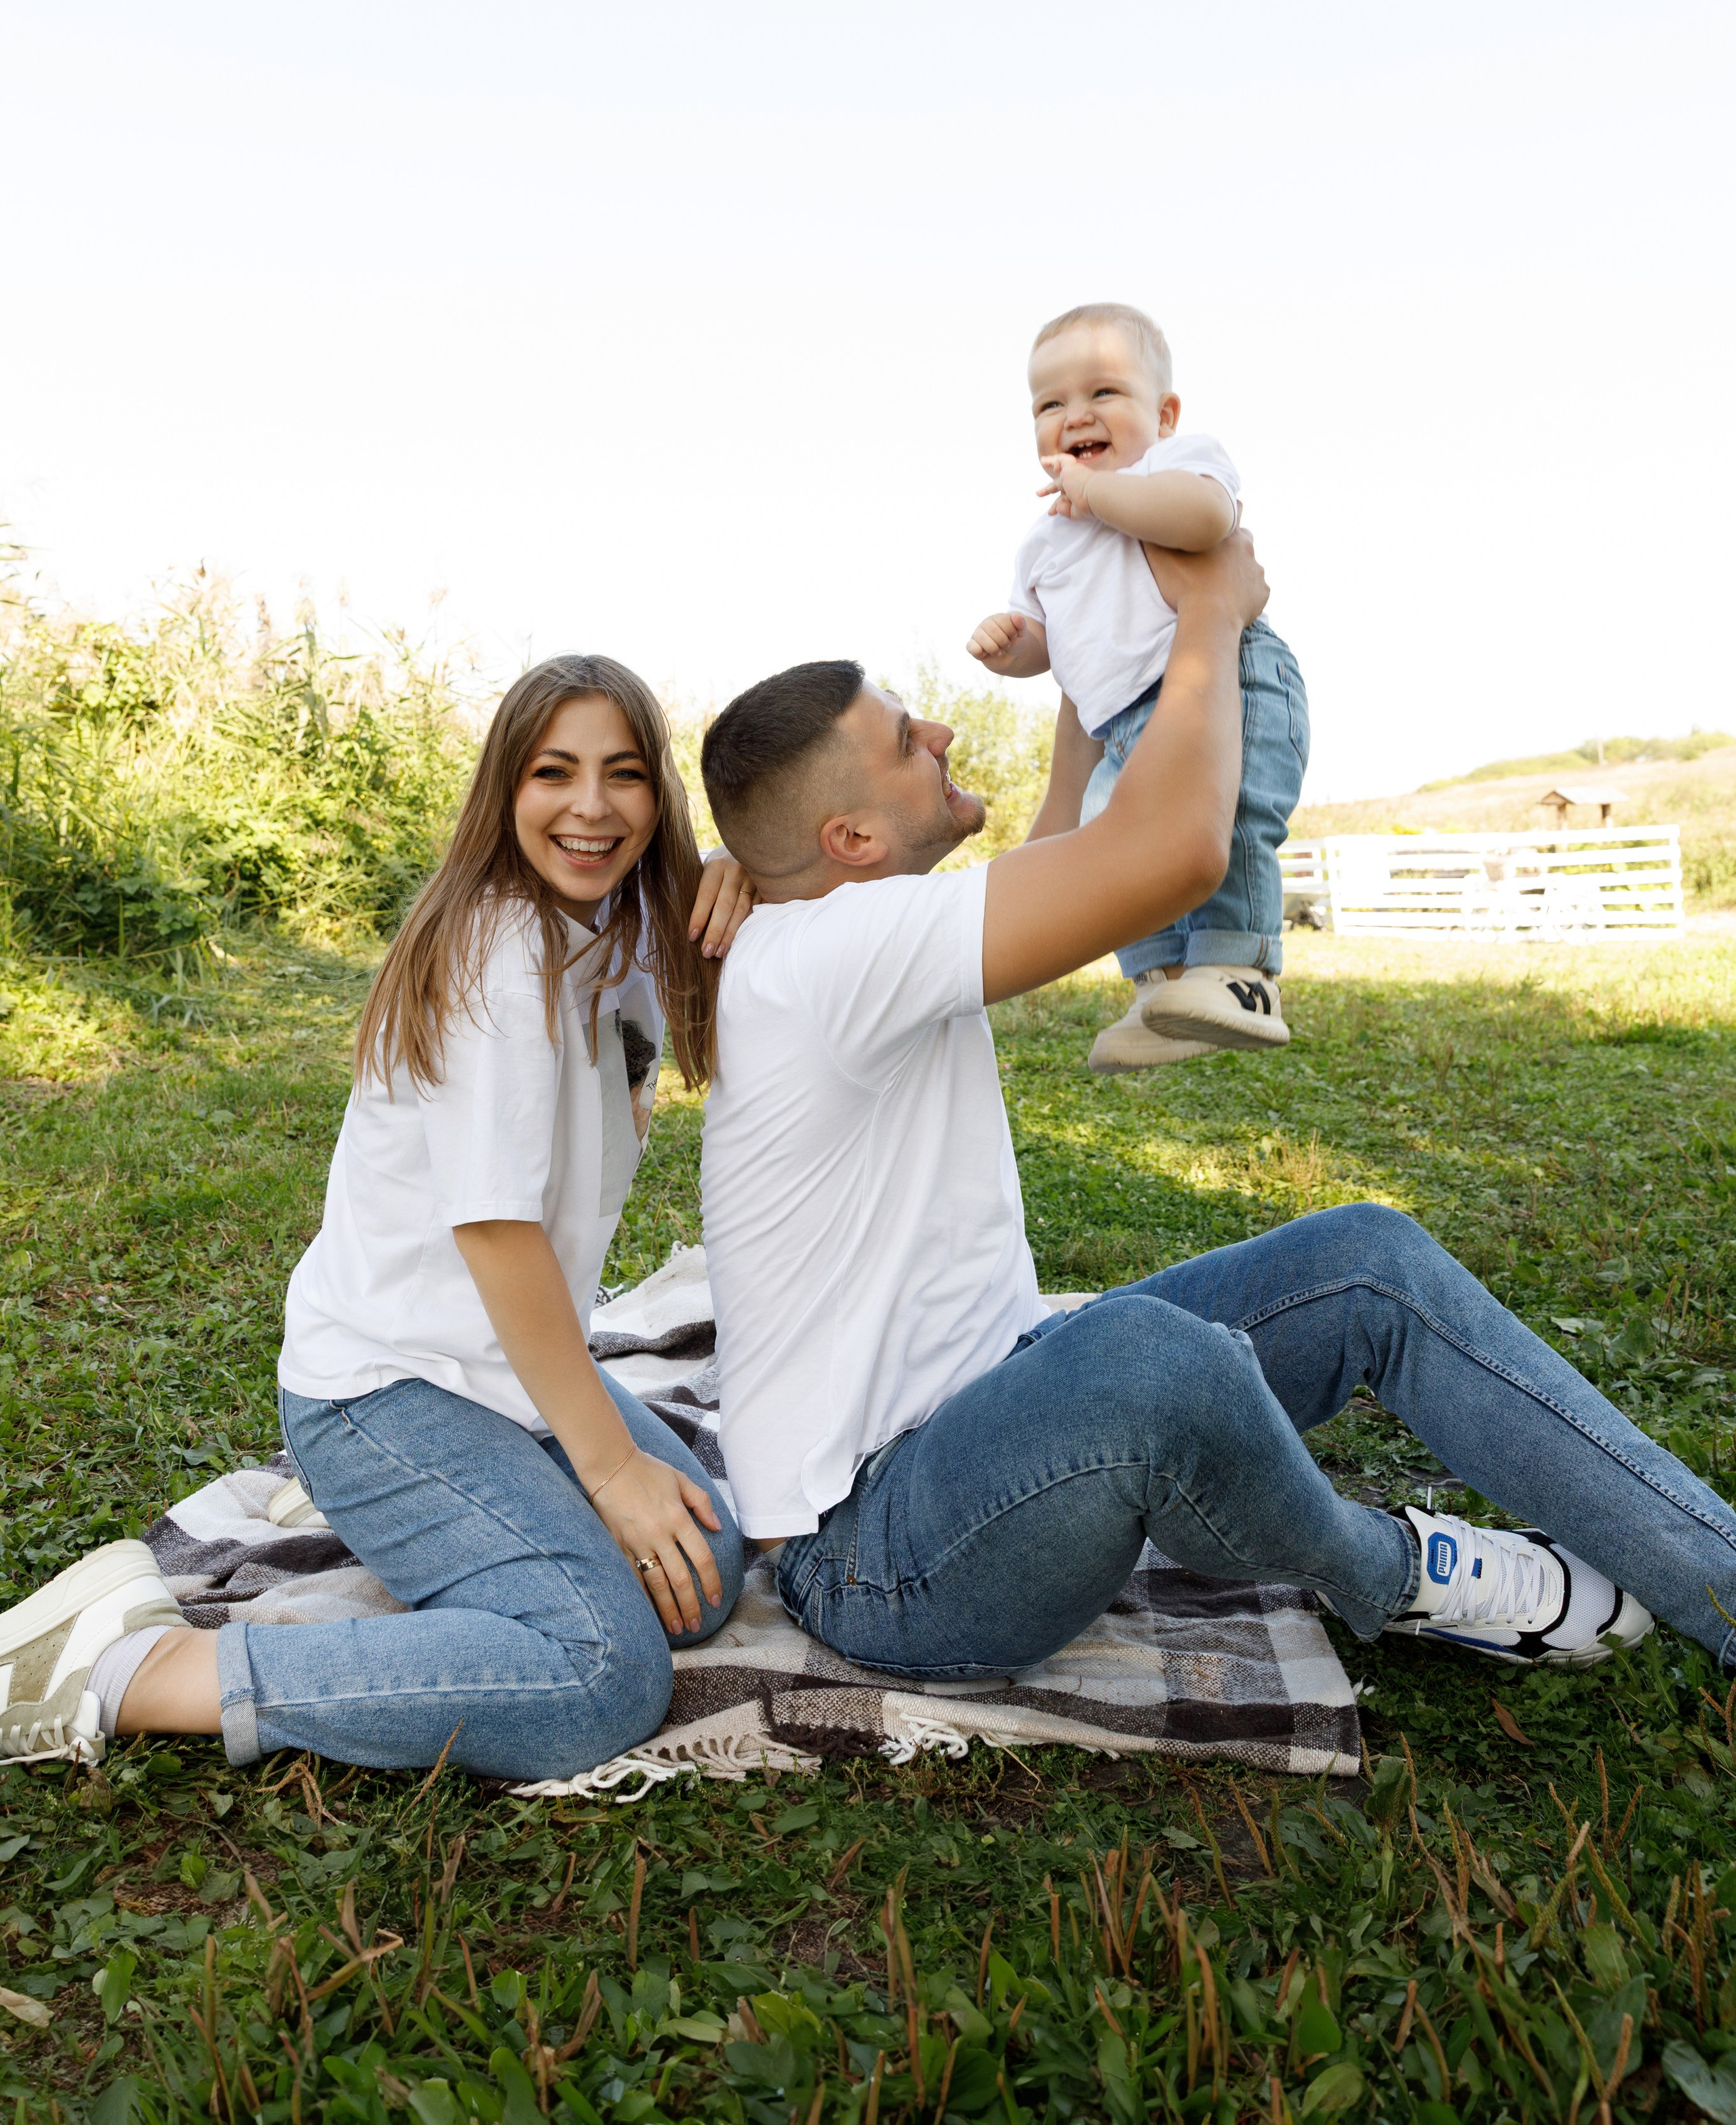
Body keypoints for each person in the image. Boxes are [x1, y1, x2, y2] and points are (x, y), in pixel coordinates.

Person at [694, 532, 1736, 1689]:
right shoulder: (824, 955)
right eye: (904, 740)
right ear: (849, 841)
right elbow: (1174, 852)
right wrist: (1211, 618)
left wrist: (1094, 660)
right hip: (878, 1559)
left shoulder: (842, 931)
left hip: (991, 1411)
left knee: (1366, 1263)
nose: (938, 732)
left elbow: (1073, 854)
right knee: (1145, 1358)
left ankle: (1723, 1586)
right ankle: (1396, 1570)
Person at [0, 656, 749, 1779]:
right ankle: (126, 1666)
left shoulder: (609, 935)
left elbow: (758, 931)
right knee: (602, 1672)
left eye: (625, 775)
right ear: (506, 791)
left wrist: (746, 872)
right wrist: (608, 1469)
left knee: (703, 1573)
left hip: (503, 1378)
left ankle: (463, 1540)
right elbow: (498, 1237)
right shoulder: (503, 956)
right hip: (387, 1393)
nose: (591, 807)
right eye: (555, 773)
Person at [967, 300, 1309, 1072]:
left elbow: (1204, 522)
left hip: (1233, 680)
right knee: (1113, 843)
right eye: (1049, 404)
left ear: (1165, 414)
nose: (1074, 414)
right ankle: (1160, 990)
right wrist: (1010, 644)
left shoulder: (1172, 465)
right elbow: (1049, 647)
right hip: (1121, 724)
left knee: (1233, 813)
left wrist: (1097, 494)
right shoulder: (1043, 541)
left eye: (1102, 394)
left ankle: (1241, 972)